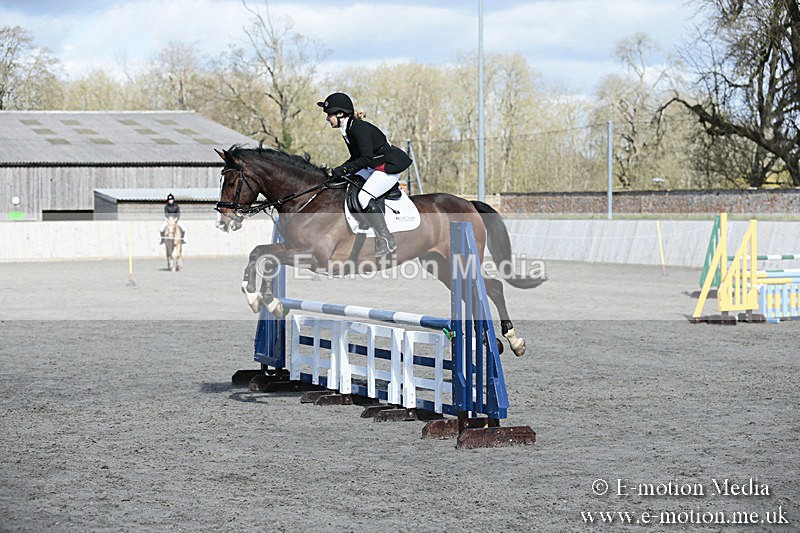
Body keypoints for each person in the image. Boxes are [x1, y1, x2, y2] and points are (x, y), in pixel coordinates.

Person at [318, 92, 412, 257]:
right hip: (372, 166)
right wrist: (340, 170)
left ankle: (385, 238)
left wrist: (345, 169)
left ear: (340, 114)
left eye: (329, 114)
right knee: (345, 183)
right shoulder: (347, 128)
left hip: (388, 167)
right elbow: (357, 158)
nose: (327, 118)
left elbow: (366, 158)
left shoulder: (358, 128)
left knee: (364, 197)